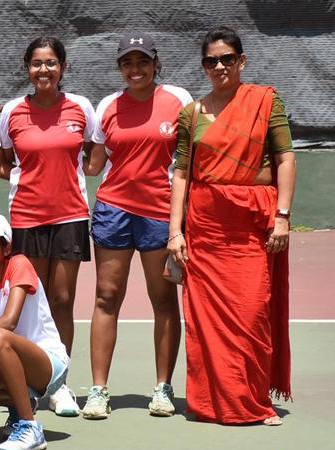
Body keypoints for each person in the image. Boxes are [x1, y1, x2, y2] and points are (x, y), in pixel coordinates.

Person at [167, 26, 295, 426]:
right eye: (211, 60)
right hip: (206, 227)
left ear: (241, 61)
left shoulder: (265, 101)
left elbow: (286, 159)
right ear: (203, 65)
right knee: (207, 320)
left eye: (226, 59)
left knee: (253, 311)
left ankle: (253, 402)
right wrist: (176, 232)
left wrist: (283, 216)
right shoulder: (191, 113)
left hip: (252, 225)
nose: (219, 66)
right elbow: (182, 173)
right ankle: (209, 403)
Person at [81, 33, 193, 419]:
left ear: (155, 64)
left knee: (163, 300)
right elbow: (93, 164)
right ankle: (98, 390)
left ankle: (162, 388)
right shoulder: (108, 105)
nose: (135, 69)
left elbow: (194, 155)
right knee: (106, 297)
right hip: (113, 209)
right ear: (120, 68)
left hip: (161, 212)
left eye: (142, 61)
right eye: (128, 62)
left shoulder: (179, 100)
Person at [0, 36, 96, 417]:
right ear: (27, 68)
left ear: (63, 67)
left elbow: (95, 149)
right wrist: (25, 175)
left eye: (51, 63)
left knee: (63, 300)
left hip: (70, 216)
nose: (44, 70)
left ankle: (59, 383)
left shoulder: (81, 107)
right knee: (32, 303)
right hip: (26, 218)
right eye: (36, 63)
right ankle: (29, 380)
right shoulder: (13, 112)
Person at [0, 212, 70, 450]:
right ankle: (19, 410)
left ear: (6, 248)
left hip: (48, 364)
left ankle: (30, 427)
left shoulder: (19, 264)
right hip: (10, 363)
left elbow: (8, 322)